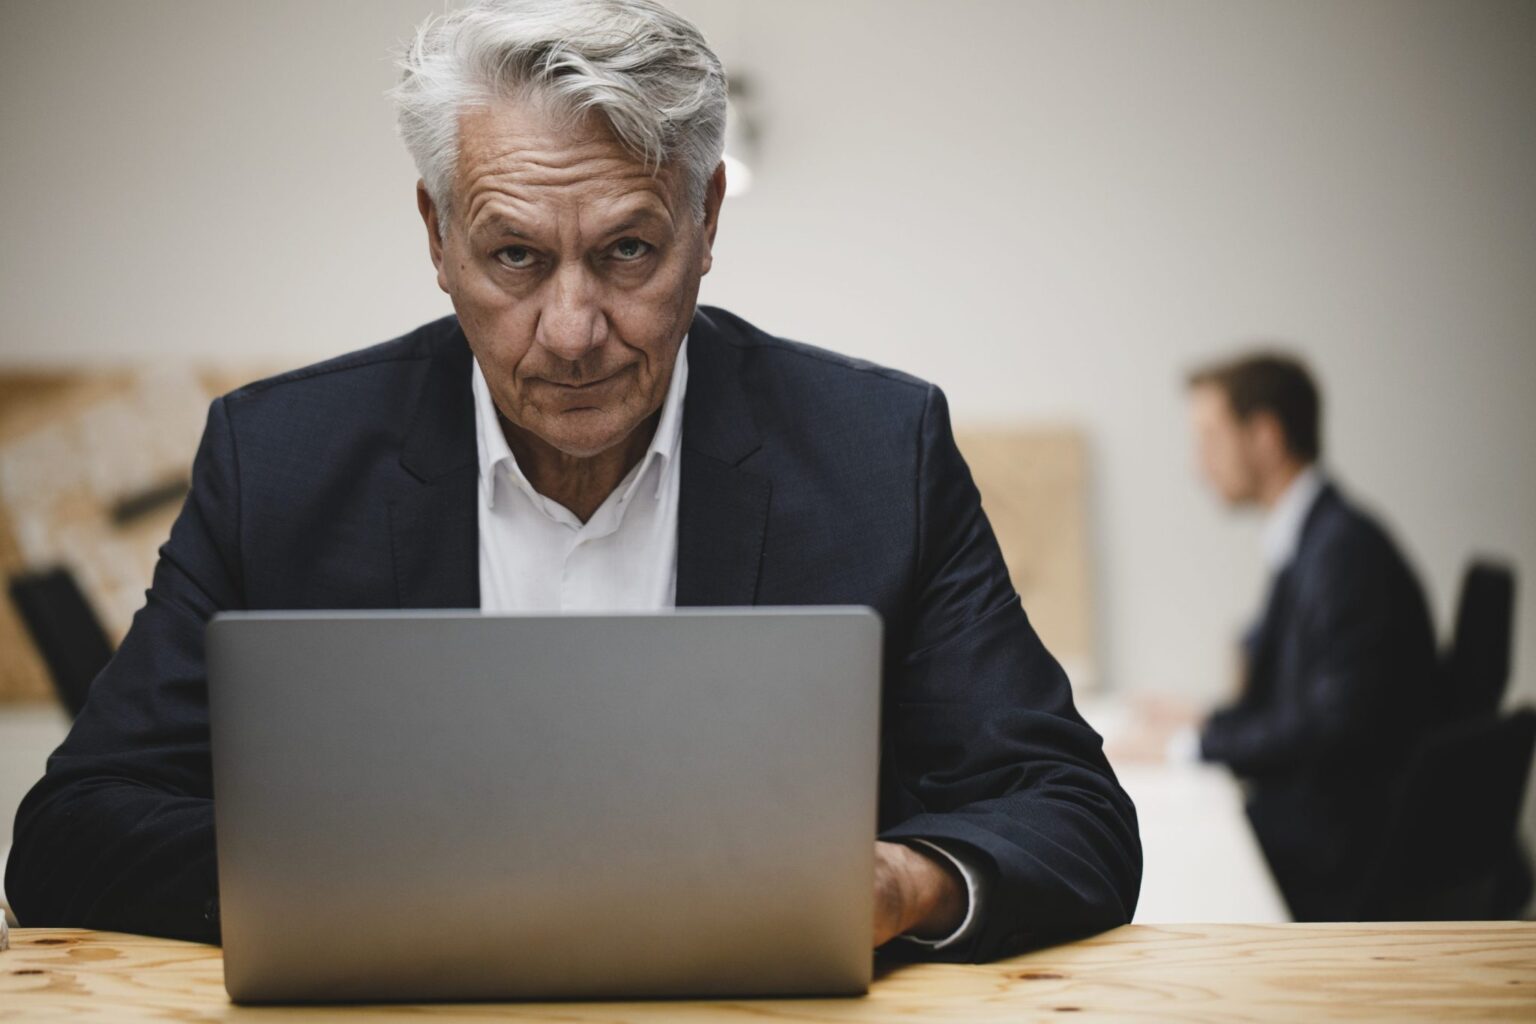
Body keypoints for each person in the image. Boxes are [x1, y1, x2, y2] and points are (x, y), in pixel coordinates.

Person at [5, 0, 1140, 961]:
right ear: (437, 235)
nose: (573, 329)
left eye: (627, 251)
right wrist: (360, 876)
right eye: (515, 257)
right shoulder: (279, 463)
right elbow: (70, 835)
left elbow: (1074, 816)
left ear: (704, 222)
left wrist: (904, 884)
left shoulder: (877, 452)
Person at [1128, 353, 1435, 920]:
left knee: (1158, 878)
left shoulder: (1344, 553)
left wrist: (1186, 748)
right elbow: (1298, 705)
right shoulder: (1316, 537)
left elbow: (1330, 724)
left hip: (1336, 859)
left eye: (1210, 439)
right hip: (1324, 831)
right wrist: (1206, 721)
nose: (1200, 466)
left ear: (1265, 437)